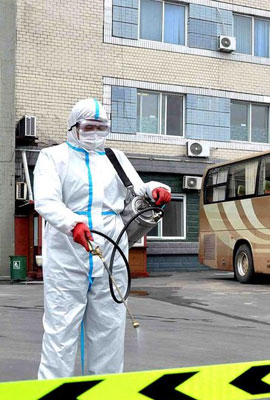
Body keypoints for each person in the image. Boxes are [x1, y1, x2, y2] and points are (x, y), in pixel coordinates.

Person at [34, 99, 171, 379]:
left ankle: (105, 391)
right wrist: (71, 223)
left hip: (111, 250)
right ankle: (51, 388)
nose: (95, 132)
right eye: (89, 127)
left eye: (101, 127)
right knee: (61, 329)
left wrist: (158, 187)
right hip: (68, 253)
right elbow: (46, 201)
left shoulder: (114, 157)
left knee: (108, 328)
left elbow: (140, 187)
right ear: (74, 127)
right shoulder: (53, 157)